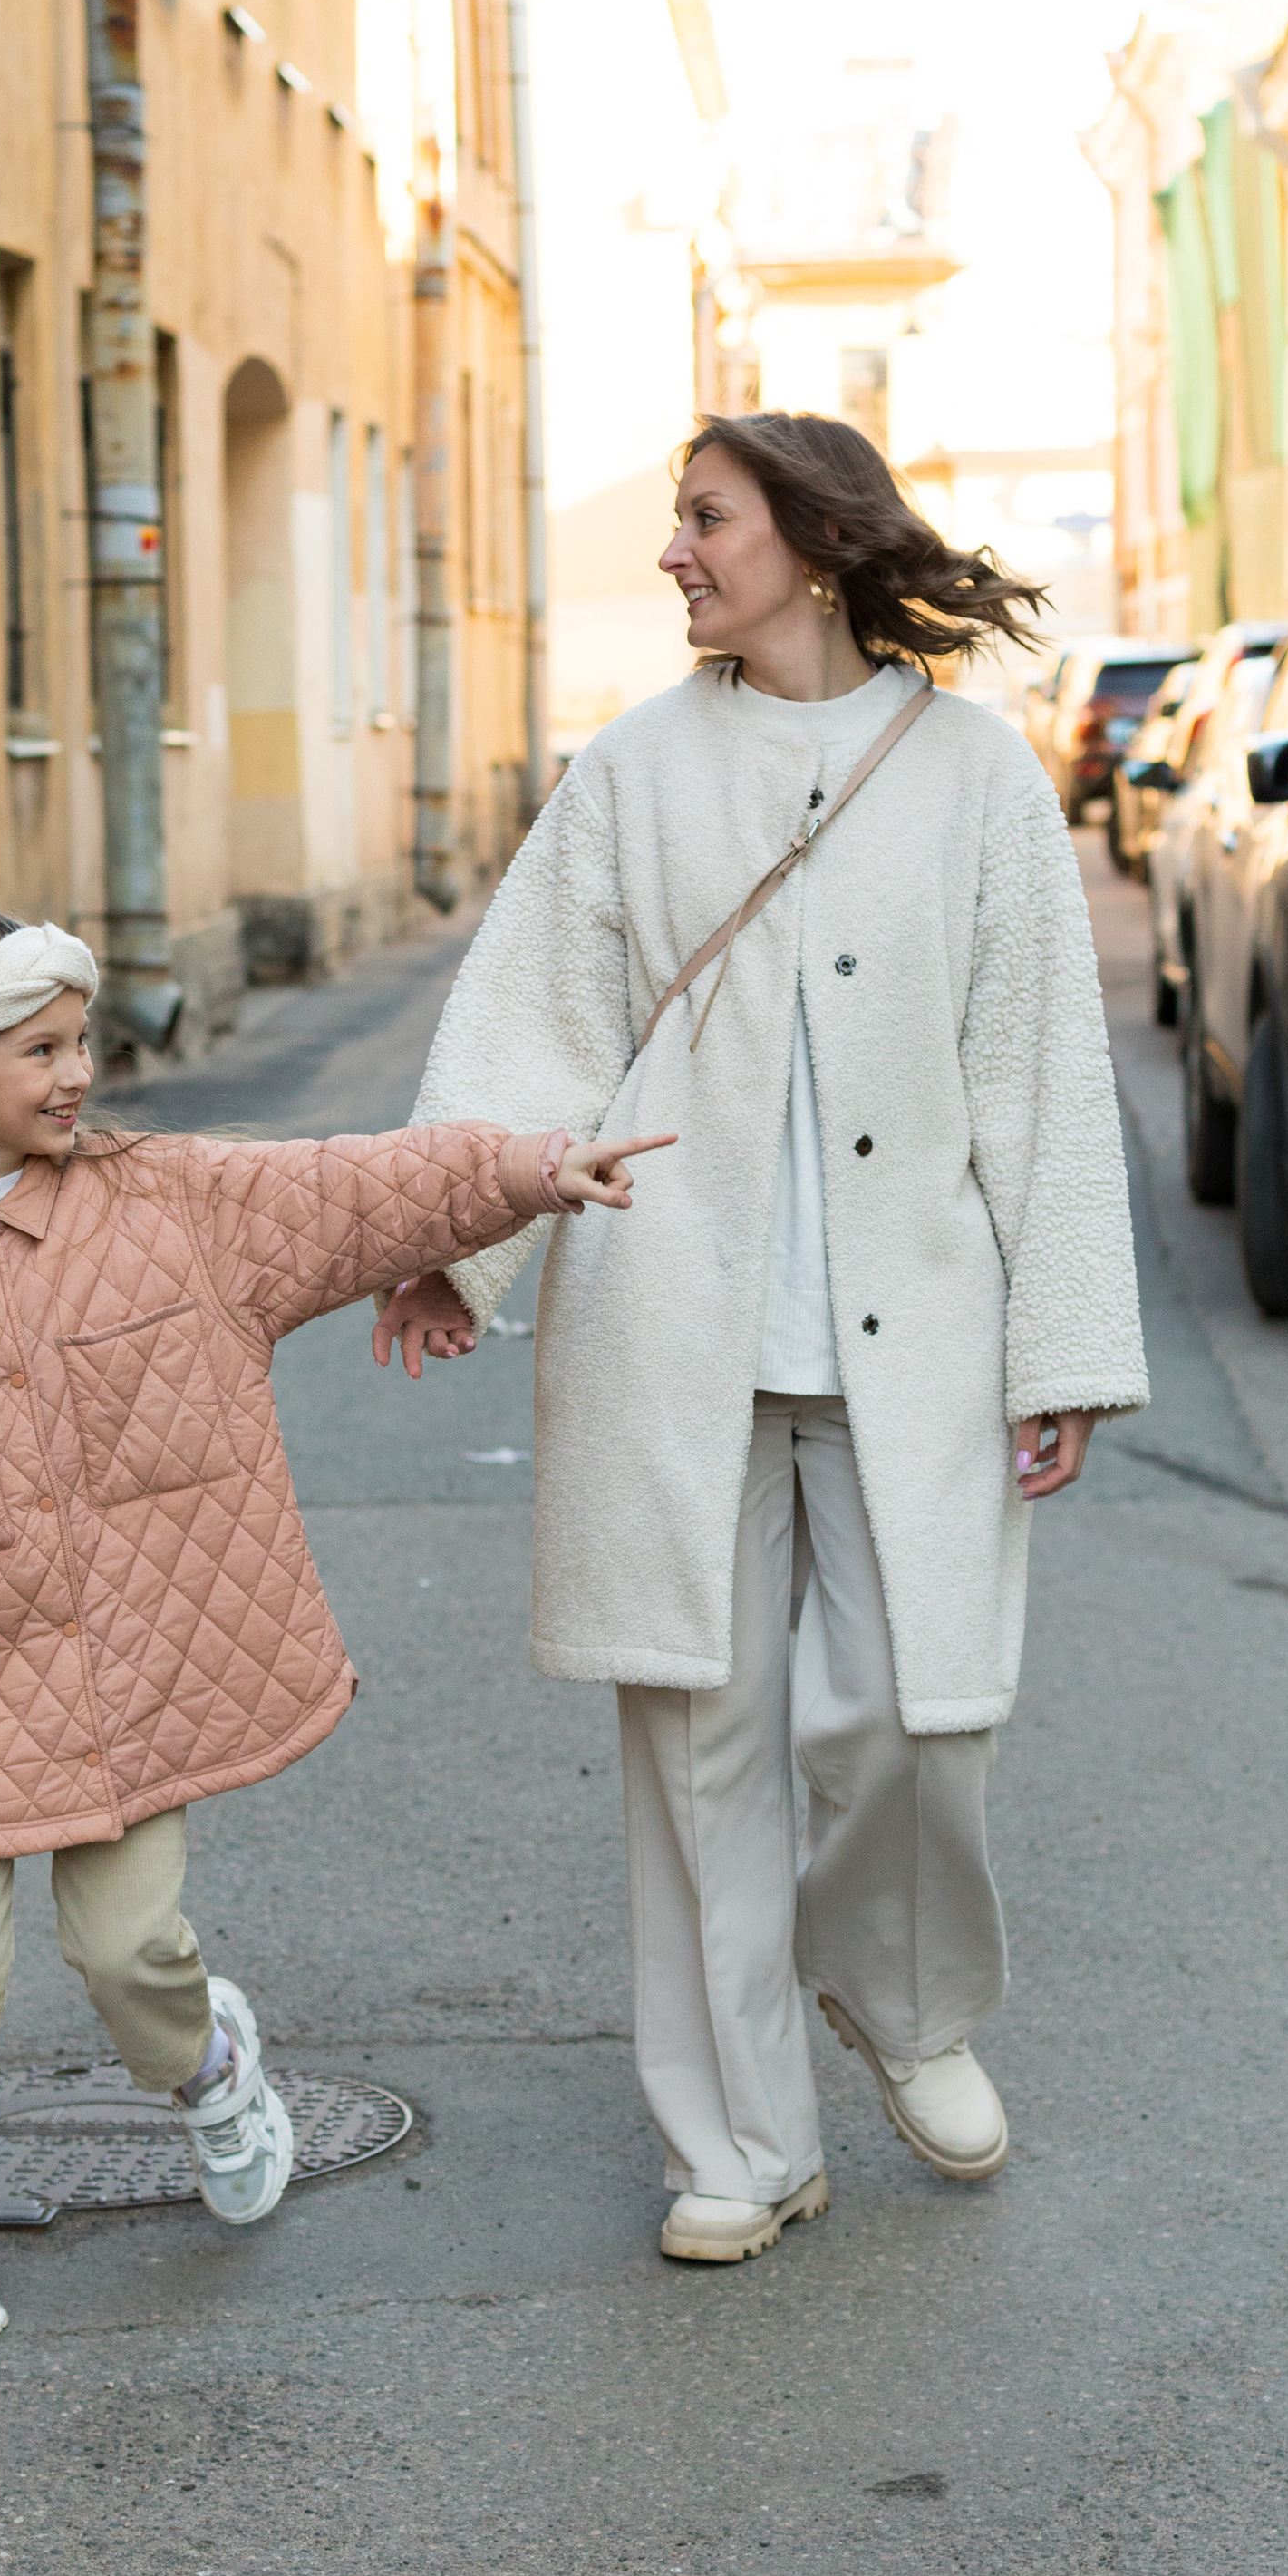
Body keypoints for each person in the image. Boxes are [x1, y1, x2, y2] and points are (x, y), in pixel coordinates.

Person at [374, 412, 1148, 2261]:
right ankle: (733, 2143)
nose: (672, 556)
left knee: (906, 1718)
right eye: (671, 523)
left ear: (806, 542)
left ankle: (899, 2001)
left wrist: (1058, 1346)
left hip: (917, 1350)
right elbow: (530, 1025)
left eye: (703, 522)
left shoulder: (971, 776)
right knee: (698, 1750)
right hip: (671, 1337)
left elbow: (1035, 1070)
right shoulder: (630, 774)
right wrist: (450, 1231)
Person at [0, 910, 669, 2361]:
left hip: (139, 1673)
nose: (75, 1072)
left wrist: (529, 1170)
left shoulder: (169, 1202)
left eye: (79, 1041)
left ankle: (212, 2064)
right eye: (37, 1048)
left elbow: (358, 1193)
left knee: (124, 1953)